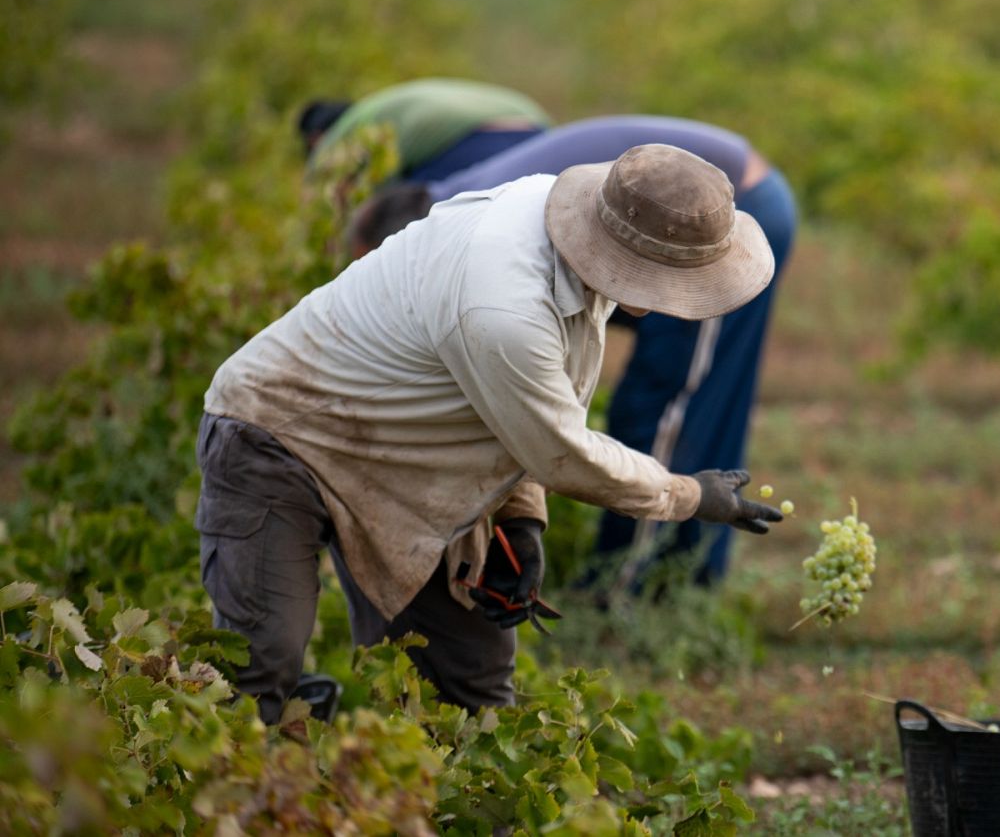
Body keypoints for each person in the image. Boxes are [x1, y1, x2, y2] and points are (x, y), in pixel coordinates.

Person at [195, 144, 784, 723]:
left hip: (415, 457)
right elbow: (564, 452)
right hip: (279, 434)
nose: (665, 306)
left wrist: (520, 521)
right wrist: (688, 494)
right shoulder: (505, 308)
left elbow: (534, 412)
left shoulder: (576, 236)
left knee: (469, 687)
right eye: (666, 284)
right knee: (259, 674)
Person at [348, 116, 797, 593]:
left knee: (668, 406)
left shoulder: (476, 249)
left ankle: (627, 590)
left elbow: (552, 438)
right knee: (692, 400)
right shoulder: (458, 210)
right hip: (696, 208)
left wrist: (685, 495)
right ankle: (684, 574)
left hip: (718, 216)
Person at [297, 77, 552, 182]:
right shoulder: (383, 104)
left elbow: (319, 181)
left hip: (482, 140)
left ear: (315, 138)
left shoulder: (340, 135)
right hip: (538, 131)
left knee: (407, 210)